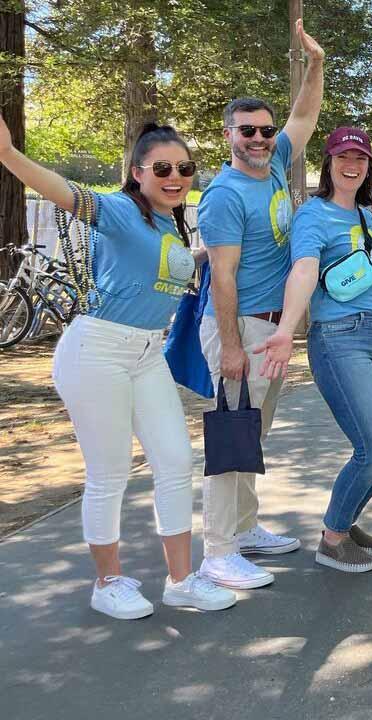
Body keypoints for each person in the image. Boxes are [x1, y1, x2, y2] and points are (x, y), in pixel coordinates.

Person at [0, 119, 235, 618]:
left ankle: (180, 580)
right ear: (137, 172)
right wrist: (10, 155)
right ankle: (108, 582)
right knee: (109, 474)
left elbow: (161, 267)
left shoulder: (171, 221)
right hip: (97, 351)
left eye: (185, 168)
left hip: (147, 354)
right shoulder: (120, 210)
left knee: (174, 462)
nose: (176, 177)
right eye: (163, 168)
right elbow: (64, 193)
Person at [197, 19, 324, 589]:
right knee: (230, 439)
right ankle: (217, 552)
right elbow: (221, 277)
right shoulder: (224, 194)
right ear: (228, 133)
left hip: (268, 330)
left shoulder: (273, 164)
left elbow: (304, 116)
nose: (259, 138)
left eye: (265, 130)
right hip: (238, 329)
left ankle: (244, 529)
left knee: (251, 432)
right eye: (247, 130)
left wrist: (316, 65)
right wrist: (229, 346)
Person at [255, 127, 372, 573]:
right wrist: (286, 329)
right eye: (343, 156)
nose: (352, 164)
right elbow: (304, 270)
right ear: (329, 163)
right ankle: (333, 538)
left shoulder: (364, 215)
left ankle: (346, 518)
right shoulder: (314, 214)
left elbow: (370, 270)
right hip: (340, 337)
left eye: (360, 157)